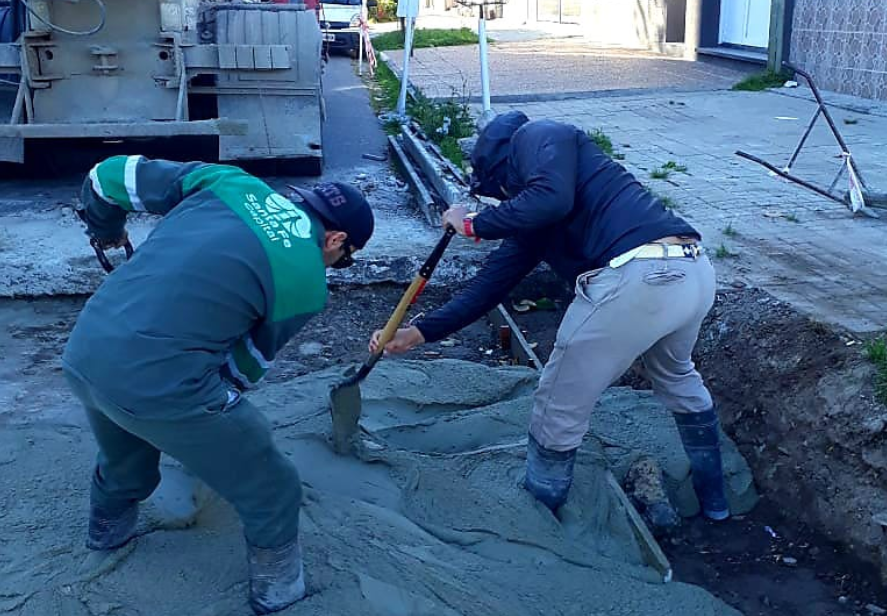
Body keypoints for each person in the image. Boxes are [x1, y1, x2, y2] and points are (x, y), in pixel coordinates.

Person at [370, 111, 729, 524]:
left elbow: (548, 197)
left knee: (557, 403)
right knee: (678, 377)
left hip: (639, 276)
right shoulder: (546, 215)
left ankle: (541, 513)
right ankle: (717, 505)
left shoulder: (539, 135)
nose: (505, 200)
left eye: (502, 192)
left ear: (505, 166)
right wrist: (419, 333)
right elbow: (491, 284)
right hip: (693, 273)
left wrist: (472, 224)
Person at [63, 155, 374, 615]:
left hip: (85, 352)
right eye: (341, 262)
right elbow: (242, 368)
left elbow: (106, 176)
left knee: (128, 462)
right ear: (336, 239)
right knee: (273, 487)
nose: (333, 267)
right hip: (159, 385)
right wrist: (205, 433)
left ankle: (105, 536)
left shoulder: (228, 182)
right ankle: (279, 596)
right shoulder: (307, 278)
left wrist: (106, 230)